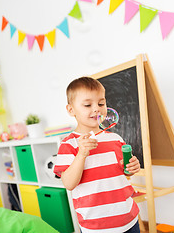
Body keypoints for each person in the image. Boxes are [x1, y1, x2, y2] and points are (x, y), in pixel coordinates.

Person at [53, 77, 141, 232]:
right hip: (96, 226)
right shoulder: (69, 145)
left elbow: (124, 173)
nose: (96, 109)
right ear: (71, 110)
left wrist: (132, 167)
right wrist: (81, 154)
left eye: (101, 103)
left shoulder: (115, 139)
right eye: (88, 105)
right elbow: (69, 183)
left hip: (128, 218)